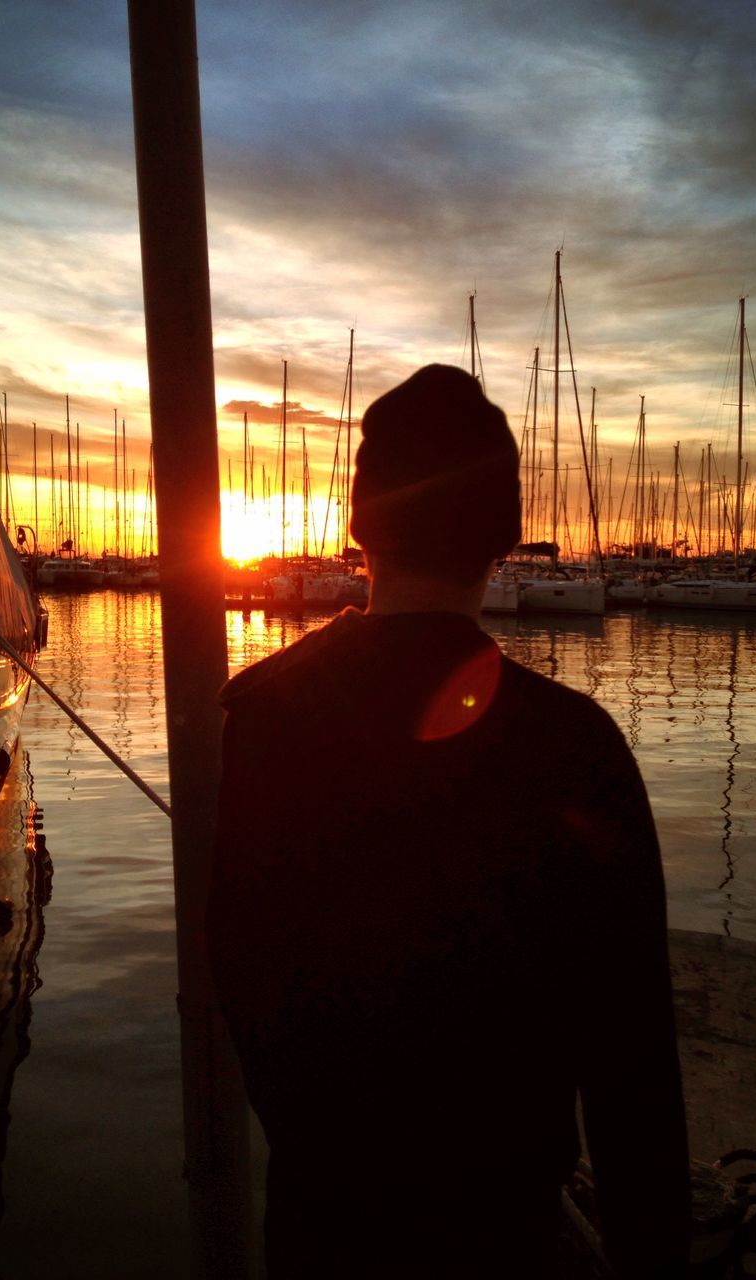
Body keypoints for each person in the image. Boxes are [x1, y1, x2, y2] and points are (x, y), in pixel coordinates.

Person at [206, 365, 691, 1278]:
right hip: (503, 1238)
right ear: (505, 536)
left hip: (322, 1232)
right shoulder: (578, 751)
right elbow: (635, 1070)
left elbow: (246, 979)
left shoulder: (265, 722)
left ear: (359, 526)